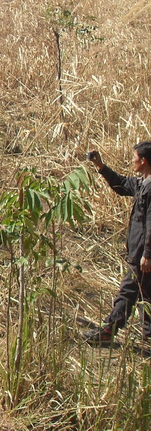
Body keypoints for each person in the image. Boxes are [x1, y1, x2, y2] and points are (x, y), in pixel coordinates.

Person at [84, 143, 151, 345]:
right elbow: (121, 184)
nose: (132, 160)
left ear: (143, 160)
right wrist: (100, 166)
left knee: (129, 291)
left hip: (142, 253)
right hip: (140, 251)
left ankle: (108, 330)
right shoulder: (143, 183)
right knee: (146, 294)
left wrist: (147, 254)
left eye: (134, 157)